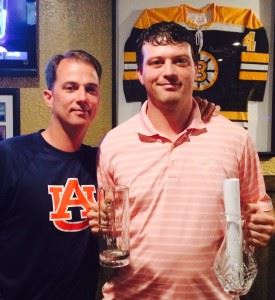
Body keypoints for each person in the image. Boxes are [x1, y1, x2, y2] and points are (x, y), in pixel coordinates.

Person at [88, 22, 275, 299]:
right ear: (140, 73)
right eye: (156, 62)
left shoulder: (235, 139)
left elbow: (259, 209)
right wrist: (100, 223)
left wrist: (262, 223)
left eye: (180, 61)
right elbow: (110, 229)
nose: (169, 72)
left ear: (196, 69)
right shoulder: (114, 144)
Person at [0, 50, 102, 299]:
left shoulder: (102, 161)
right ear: (49, 96)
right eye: (70, 87)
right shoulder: (11, 156)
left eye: (91, 89)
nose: (82, 98)